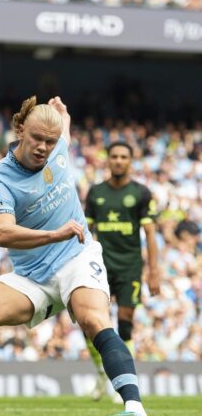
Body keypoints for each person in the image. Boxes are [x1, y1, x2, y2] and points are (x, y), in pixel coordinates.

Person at [0, 96, 155, 416]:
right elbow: (3, 233)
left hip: (77, 257)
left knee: (93, 318)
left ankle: (135, 408)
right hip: (33, 275)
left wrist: (61, 114)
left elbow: (63, 128)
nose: (45, 147)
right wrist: (53, 234)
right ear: (20, 130)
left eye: (51, 140)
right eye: (37, 139)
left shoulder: (60, 145)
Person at [84, 141, 159, 400]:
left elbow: (150, 233)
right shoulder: (96, 193)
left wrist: (154, 271)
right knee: (91, 322)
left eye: (123, 157)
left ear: (130, 161)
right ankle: (101, 373)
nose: (118, 160)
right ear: (108, 160)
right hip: (99, 267)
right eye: (114, 156)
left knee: (125, 322)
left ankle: (123, 379)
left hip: (129, 267)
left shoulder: (141, 193)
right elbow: (85, 233)